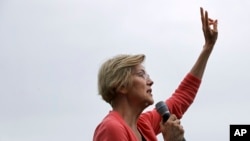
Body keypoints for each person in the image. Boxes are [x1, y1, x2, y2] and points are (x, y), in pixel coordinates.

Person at [93, 7, 218, 141]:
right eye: (141, 74)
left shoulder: (143, 124)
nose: (150, 81)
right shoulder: (112, 128)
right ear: (121, 86)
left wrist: (208, 47)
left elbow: (182, 96)